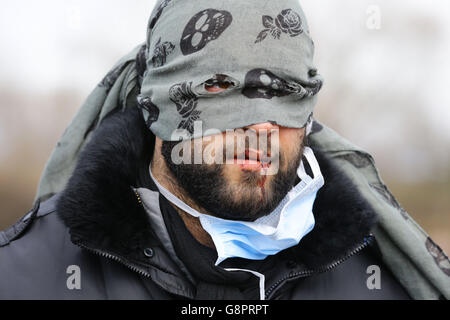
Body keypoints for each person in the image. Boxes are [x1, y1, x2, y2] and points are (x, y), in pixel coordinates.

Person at [1, 0, 449, 300]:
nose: (261, 126)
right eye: (219, 86)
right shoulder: (26, 278)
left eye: (287, 90)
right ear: (161, 104)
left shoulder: (379, 281)